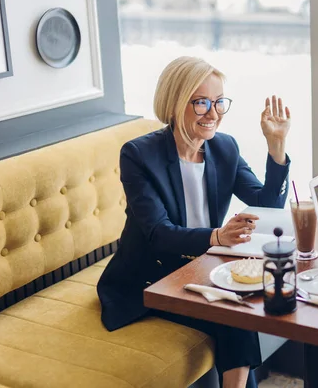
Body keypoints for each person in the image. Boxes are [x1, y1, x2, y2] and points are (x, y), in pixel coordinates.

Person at [97, 56, 293, 388]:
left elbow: (268, 204)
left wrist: (277, 149)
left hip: (202, 269)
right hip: (151, 279)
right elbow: (158, 234)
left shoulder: (224, 148)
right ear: (174, 104)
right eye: (201, 102)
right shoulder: (138, 155)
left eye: (219, 102)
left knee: (244, 308)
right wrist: (218, 236)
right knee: (236, 315)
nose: (213, 113)